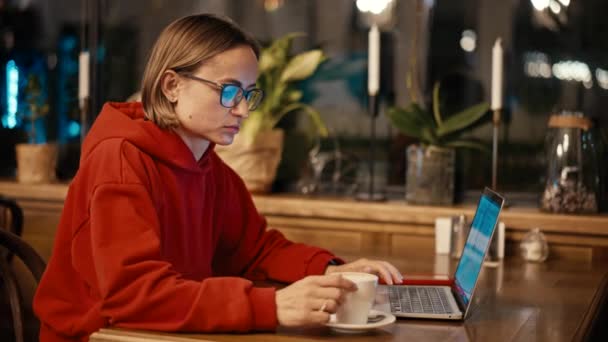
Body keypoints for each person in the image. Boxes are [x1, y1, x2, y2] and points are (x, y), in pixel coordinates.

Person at [33, 13, 403, 341]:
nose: (242, 109)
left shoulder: (210, 167)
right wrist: (270, 306)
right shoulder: (120, 161)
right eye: (228, 91)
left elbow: (255, 250)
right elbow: (134, 296)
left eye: (247, 93)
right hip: (99, 335)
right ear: (172, 86)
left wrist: (332, 270)